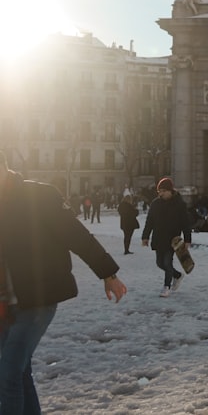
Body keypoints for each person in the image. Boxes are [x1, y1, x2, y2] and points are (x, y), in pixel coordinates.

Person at [0, 150, 127, 413]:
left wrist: (108, 273)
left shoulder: (40, 196)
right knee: (19, 371)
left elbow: (76, 235)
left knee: (8, 371)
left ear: (5, 167)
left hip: (38, 298)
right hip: (5, 305)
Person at [141, 177, 192, 297]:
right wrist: (145, 236)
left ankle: (166, 286)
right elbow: (150, 221)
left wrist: (187, 239)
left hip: (172, 240)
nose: (161, 193)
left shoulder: (179, 204)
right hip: (158, 238)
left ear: (170, 190)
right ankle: (177, 275)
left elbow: (185, 223)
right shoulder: (155, 204)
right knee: (160, 263)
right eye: (160, 191)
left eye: (163, 191)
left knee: (167, 262)